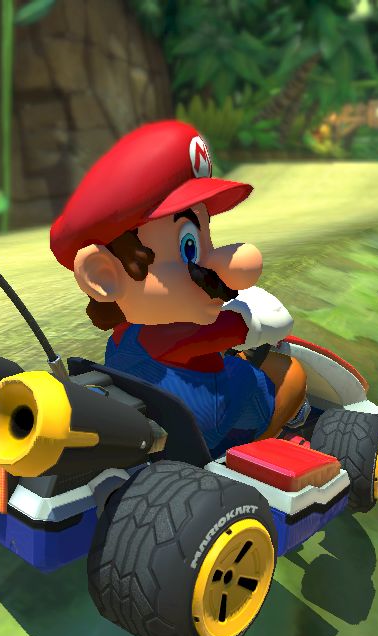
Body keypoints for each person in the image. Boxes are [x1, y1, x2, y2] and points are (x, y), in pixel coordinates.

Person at [49, 120, 308, 456]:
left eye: (205, 238)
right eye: (189, 248)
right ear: (103, 275)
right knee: (290, 373)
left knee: (237, 360)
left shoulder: (124, 332)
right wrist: (248, 312)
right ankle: (260, 442)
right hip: (207, 429)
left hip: (161, 417)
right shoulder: (186, 333)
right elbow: (271, 322)